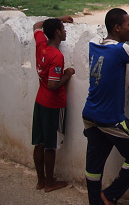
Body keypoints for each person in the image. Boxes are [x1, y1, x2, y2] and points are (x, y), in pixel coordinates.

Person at [82, 8, 129, 205]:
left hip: (89, 114)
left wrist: (127, 35)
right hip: (110, 118)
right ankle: (110, 195)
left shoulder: (94, 43)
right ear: (117, 27)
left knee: (94, 165)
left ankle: (95, 201)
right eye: (128, 25)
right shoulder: (120, 50)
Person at [32, 16, 75, 193]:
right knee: (50, 145)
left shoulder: (41, 45)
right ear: (57, 32)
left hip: (39, 101)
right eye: (63, 28)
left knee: (39, 143)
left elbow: (36, 26)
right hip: (53, 105)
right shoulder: (57, 56)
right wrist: (68, 74)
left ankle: (41, 180)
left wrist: (58, 19)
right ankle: (50, 183)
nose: (65, 31)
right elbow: (53, 84)